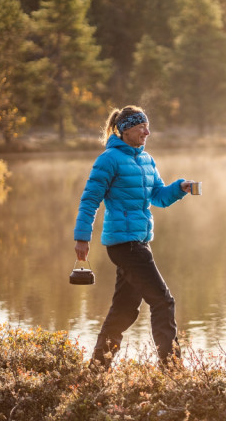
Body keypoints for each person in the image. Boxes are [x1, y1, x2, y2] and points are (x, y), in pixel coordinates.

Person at [73, 105, 195, 368]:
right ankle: (172, 368)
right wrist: (82, 236)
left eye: (147, 127)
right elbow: (90, 200)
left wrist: (179, 188)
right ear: (126, 129)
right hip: (124, 244)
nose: (147, 132)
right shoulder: (109, 159)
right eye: (142, 127)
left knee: (125, 309)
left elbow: (158, 197)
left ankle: (97, 368)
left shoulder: (146, 160)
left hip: (139, 241)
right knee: (163, 301)